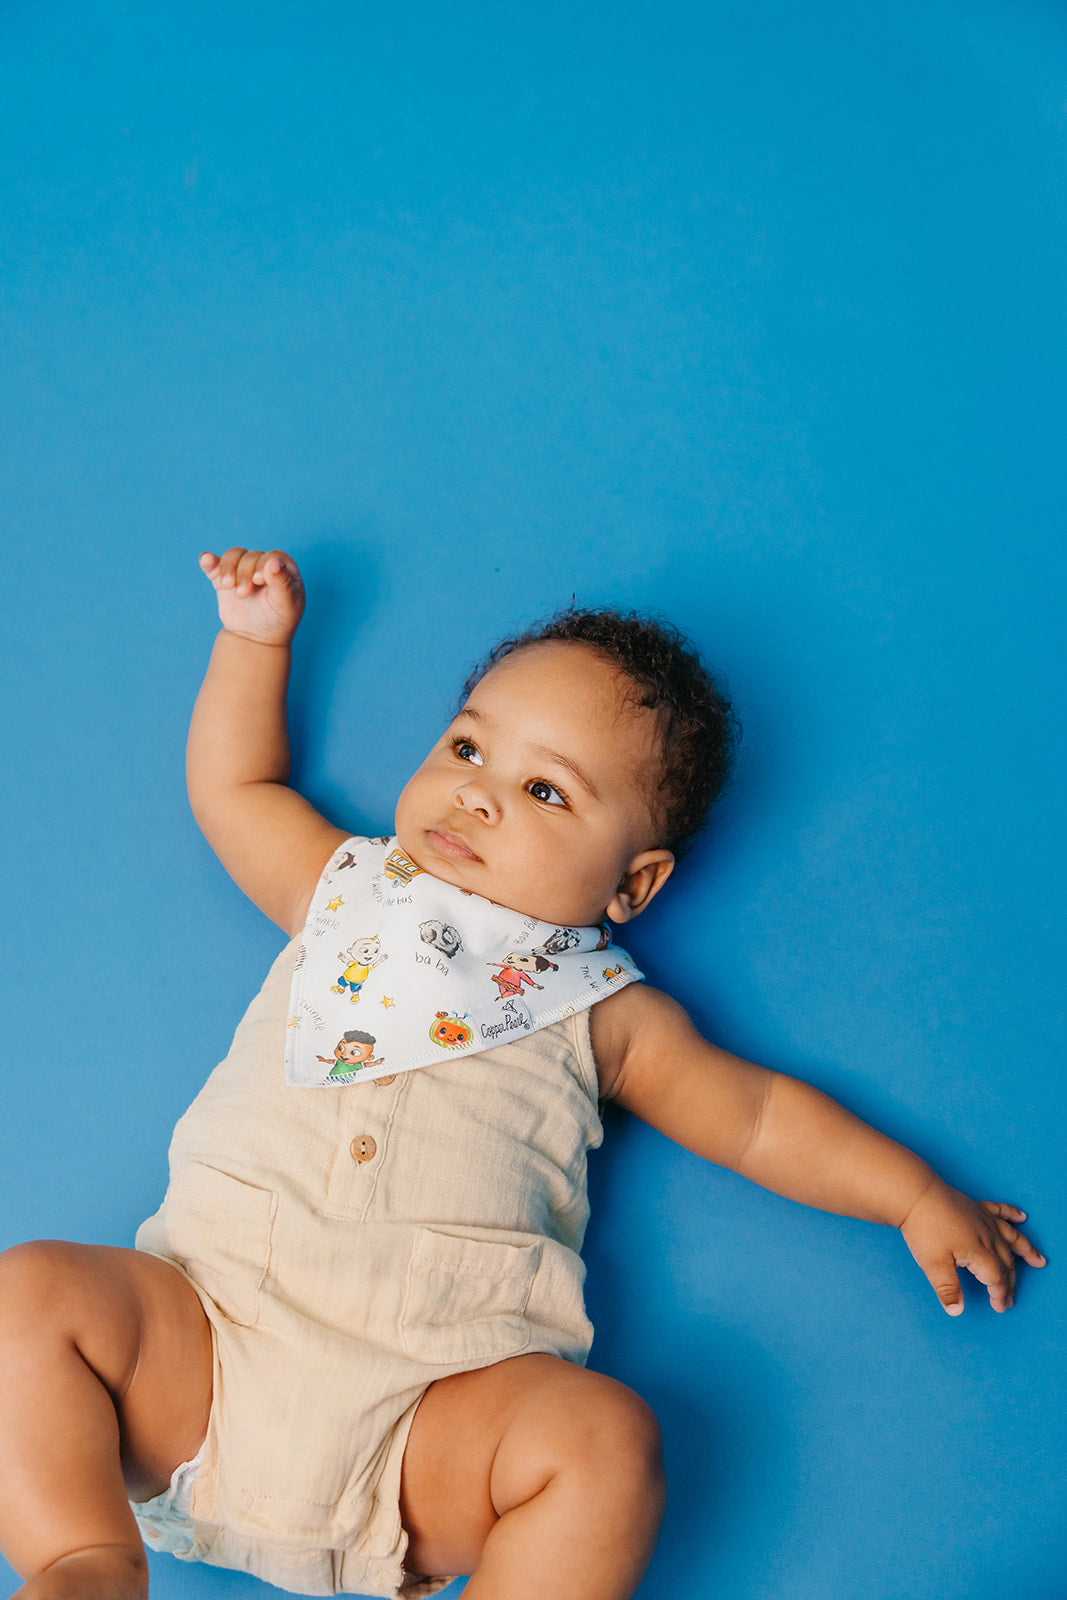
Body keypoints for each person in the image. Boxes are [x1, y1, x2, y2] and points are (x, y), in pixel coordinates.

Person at [0, 548, 1045, 1600]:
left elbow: (756, 1116)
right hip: (205, 1353)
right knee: (30, 1291)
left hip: (426, 1421)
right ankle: (80, 1558)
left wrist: (908, 1194)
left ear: (632, 884)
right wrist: (251, 645)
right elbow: (237, 786)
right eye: (466, 747)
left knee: (600, 1442)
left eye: (544, 789)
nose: (477, 794)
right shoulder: (343, 887)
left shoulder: (604, 1011)